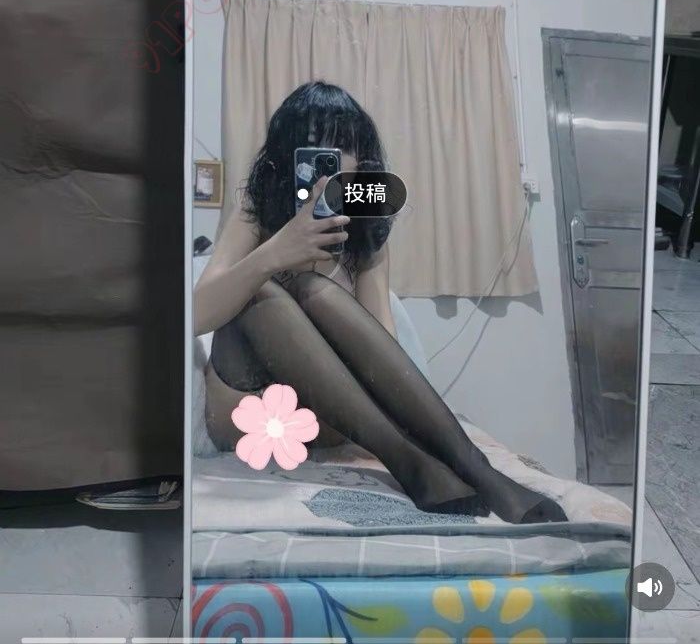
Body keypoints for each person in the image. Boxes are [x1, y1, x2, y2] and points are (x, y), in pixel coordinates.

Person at [196, 81, 566, 523]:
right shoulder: (254, 209)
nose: (330, 161)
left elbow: (379, 346)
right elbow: (195, 315)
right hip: (248, 416)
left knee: (312, 289)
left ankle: (474, 466)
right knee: (263, 290)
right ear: (288, 152)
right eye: (314, 145)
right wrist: (274, 254)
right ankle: (407, 460)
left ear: (362, 161)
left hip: (327, 420)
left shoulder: (366, 229)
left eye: (344, 147)